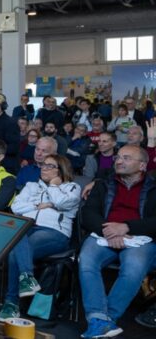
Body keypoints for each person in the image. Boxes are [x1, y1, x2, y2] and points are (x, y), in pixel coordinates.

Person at [78, 145, 156, 339]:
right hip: (105, 231)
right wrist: (111, 231)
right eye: (118, 157)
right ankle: (99, 319)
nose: (119, 161)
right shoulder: (104, 183)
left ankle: (105, 320)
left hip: (139, 237)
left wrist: (127, 227)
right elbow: (88, 214)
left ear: (142, 166)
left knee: (134, 268)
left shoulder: (154, 187)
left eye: (127, 158)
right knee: (86, 261)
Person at [0, 155, 81, 321]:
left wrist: (54, 186)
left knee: (16, 247)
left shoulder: (72, 187)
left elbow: (62, 203)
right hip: (27, 229)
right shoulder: (31, 186)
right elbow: (16, 207)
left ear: (61, 169)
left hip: (54, 233)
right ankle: (27, 279)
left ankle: (11, 303)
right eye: (43, 165)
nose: (44, 168)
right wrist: (38, 205)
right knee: (18, 239)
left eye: (50, 166)